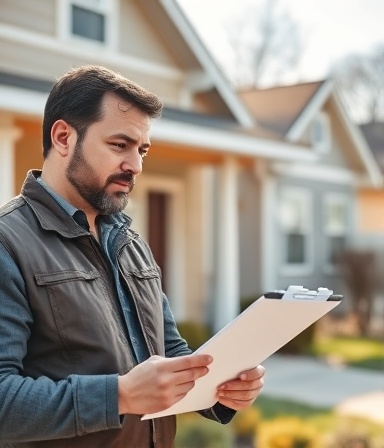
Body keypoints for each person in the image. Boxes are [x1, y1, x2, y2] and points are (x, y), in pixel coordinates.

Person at [0, 65, 265, 448]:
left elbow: (170, 351)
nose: (136, 166)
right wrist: (119, 395)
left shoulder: (128, 241)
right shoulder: (8, 242)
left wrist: (221, 389)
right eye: (119, 145)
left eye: (141, 150)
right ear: (63, 138)